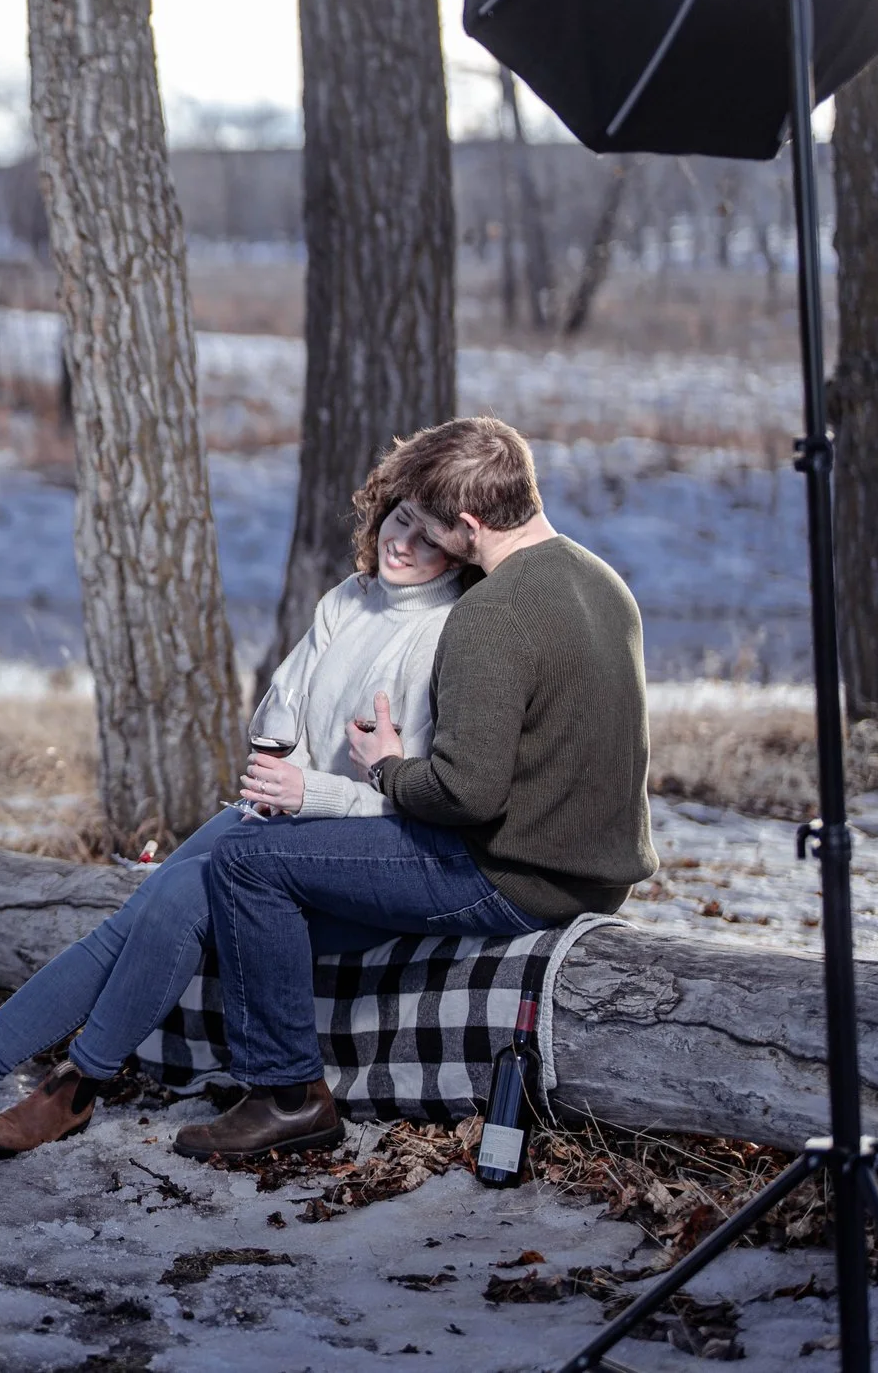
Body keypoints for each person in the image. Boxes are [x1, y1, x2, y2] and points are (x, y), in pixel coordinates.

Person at [0, 452, 468, 1156]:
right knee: (139, 915)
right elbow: (284, 707)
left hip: (349, 850)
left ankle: (65, 1083)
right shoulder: (348, 599)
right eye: (399, 520)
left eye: (428, 538)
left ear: (457, 554)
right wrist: (281, 766)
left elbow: (408, 796)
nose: (402, 542)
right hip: (283, 815)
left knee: (177, 897)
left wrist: (315, 789)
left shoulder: (444, 635)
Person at [173, 416, 655, 1162]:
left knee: (248, 861)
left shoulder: (489, 614)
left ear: (467, 524)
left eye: (428, 525)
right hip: (599, 871)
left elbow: (465, 797)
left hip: (511, 876)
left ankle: (287, 1097)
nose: (413, 538)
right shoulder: (602, 580)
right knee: (273, 901)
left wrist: (385, 764)